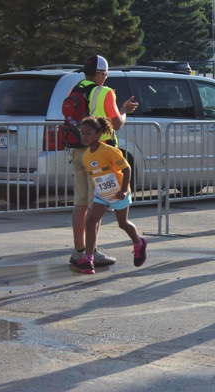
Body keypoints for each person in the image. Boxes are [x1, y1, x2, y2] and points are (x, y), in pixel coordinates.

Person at [69, 54, 138, 272]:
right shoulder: (105, 92)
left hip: (78, 150)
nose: (105, 78)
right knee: (94, 205)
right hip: (99, 153)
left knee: (80, 203)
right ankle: (93, 252)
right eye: (105, 74)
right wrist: (125, 110)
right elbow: (116, 124)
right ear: (100, 74)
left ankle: (79, 251)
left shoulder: (75, 89)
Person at [76, 117, 147, 274]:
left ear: (99, 133)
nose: (85, 136)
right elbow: (95, 176)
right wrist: (98, 190)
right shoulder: (86, 156)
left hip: (119, 193)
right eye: (82, 133)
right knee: (90, 222)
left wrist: (123, 190)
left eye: (88, 133)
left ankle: (139, 243)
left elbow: (127, 169)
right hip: (101, 195)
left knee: (123, 223)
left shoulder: (108, 150)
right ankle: (88, 260)